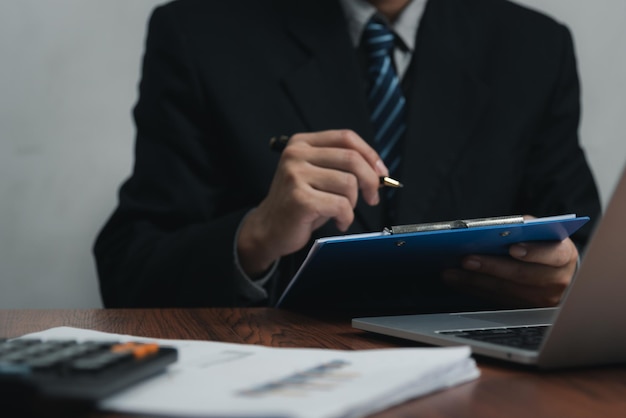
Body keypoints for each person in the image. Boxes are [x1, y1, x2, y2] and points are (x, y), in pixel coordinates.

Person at [93, 0, 601, 311]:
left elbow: (590, 253)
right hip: (279, 375)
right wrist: (254, 236)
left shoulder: (535, 47)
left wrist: (566, 278)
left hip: (484, 381)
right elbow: (129, 272)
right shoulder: (197, 34)